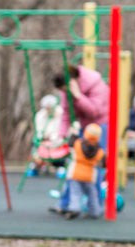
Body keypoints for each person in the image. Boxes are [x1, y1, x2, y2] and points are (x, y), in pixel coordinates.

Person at [49, 66, 108, 215]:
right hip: (84, 126)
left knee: (95, 167)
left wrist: (78, 96)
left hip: (100, 126)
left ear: (75, 82)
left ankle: (94, 207)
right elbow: (66, 115)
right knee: (75, 166)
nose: (65, 93)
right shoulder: (66, 91)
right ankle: (66, 203)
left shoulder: (96, 84)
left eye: (65, 90)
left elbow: (94, 111)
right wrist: (61, 135)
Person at [64, 123, 105, 220]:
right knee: (92, 194)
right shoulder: (99, 151)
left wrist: (74, 132)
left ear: (86, 134)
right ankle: (95, 211)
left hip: (75, 173)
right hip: (89, 176)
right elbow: (103, 163)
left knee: (75, 193)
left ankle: (74, 208)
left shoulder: (78, 143)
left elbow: (70, 142)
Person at [29, 94, 68, 175]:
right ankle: (38, 163)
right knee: (35, 145)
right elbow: (39, 131)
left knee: (62, 146)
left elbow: (61, 130)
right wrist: (41, 138)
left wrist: (55, 138)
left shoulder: (61, 114)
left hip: (57, 141)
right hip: (44, 140)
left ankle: (60, 164)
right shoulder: (40, 116)